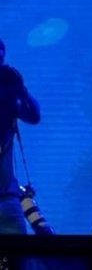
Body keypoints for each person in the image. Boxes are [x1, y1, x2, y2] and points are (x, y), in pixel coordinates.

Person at [0, 39, 40, 234]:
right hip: (8, 198)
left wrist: (21, 91)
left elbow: (33, 115)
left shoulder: (8, 106)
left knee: (17, 249)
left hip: (8, 198)